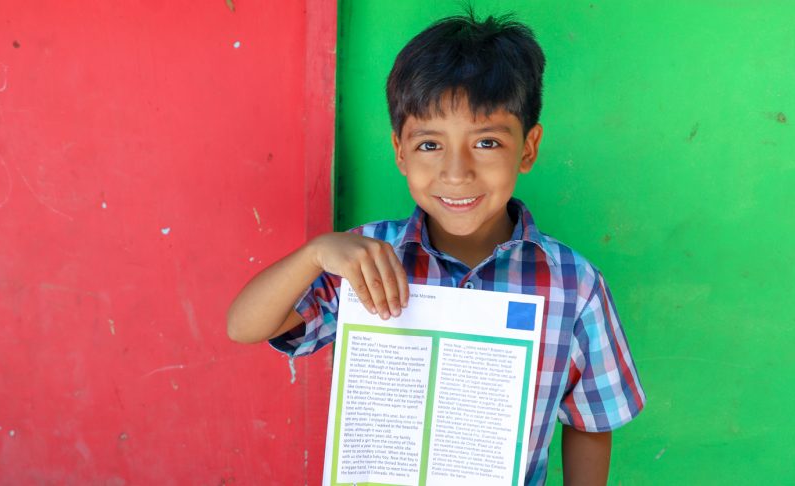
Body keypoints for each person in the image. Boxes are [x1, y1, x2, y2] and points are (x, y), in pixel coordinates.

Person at [227, 11, 645, 485]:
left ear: (527, 149)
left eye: (486, 142)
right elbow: (244, 326)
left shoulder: (575, 285)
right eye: (429, 145)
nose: (456, 172)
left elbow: (590, 423)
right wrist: (315, 254)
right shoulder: (362, 258)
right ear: (400, 151)